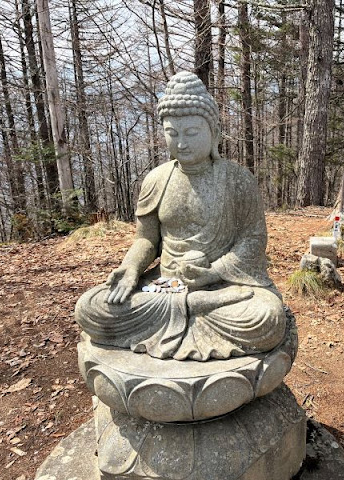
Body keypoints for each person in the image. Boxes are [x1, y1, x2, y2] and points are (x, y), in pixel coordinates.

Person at [75, 72, 286, 361]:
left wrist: (214, 271)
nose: (182, 143)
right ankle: (194, 306)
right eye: (172, 133)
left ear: (213, 133)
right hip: (166, 286)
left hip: (223, 284)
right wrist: (131, 267)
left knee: (267, 318)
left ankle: (197, 306)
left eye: (192, 133)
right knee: (91, 308)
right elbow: (146, 239)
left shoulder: (237, 179)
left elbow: (253, 239)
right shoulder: (156, 180)